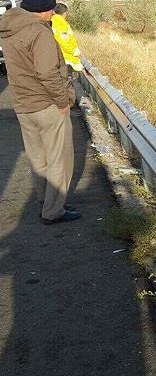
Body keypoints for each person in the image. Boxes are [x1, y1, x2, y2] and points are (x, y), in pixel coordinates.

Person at [0, 0, 80, 224]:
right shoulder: (39, 32)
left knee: (38, 159)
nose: (53, 13)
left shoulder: (9, 29)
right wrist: (63, 101)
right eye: (52, 9)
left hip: (23, 105)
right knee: (59, 159)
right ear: (43, 10)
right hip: (47, 105)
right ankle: (54, 210)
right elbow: (48, 74)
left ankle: (45, 203)